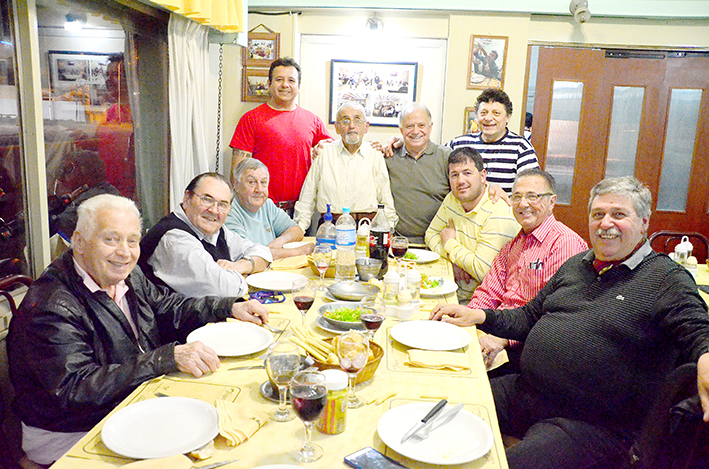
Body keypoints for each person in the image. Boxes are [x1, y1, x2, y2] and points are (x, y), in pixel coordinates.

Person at [431, 176, 709, 469]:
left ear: (643, 222)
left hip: (589, 424)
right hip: (527, 392)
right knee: (438, 413)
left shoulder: (666, 279)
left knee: (497, 466)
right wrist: (480, 316)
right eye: (598, 214)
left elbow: (696, 327)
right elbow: (528, 317)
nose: (605, 223)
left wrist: (706, 355)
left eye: (618, 214)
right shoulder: (578, 265)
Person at [7, 194, 270, 466]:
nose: (124, 252)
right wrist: (164, 359)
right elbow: (76, 388)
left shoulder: (125, 275)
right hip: (71, 433)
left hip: (129, 403)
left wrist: (228, 307)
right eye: (111, 239)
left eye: (132, 240)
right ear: (79, 242)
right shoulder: (52, 305)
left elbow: (168, 306)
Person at [472, 168, 588, 369]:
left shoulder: (565, 244)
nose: (523, 204)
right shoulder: (514, 244)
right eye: (516, 197)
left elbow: (552, 315)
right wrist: (470, 322)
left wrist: (501, 339)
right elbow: (489, 291)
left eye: (532, 196)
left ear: (552, 202)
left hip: (530, 349)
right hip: (497, 331)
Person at [139, 172, 272, 298]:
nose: (214, 210)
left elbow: (263, 253)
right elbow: (223, 290)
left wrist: (241, 266)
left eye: (222, 204)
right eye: (207, 199)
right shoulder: (174, 238)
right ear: (187, 198)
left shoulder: (216, 231)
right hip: (176, 321)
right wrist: (250, 277)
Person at [229, 57, 332, 208]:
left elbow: (333, 151)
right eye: (279, 79)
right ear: (269, 84)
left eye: (291, 80)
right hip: (260, 208)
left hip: (300, 211)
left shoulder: (313, 121)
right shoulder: (250, 119)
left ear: (298, 86)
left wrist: (321, 147)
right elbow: (237, 173)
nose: (285, 85)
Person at [425, 147, 519, 303]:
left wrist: (450, 244)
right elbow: (431, 234)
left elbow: (482, 271)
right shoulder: (452, 199)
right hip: (451, 291)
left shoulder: (497, 211)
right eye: (454, 175)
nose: (460, 181)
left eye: (467, 173)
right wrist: (452, 261)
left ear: (483, 176)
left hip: (483, 305)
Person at [293, 102, 397, 232]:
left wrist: (389, 229)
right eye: (345, 120)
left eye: (357, 120)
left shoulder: (375, 154)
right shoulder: (324, 153)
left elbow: (386, 199)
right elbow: (307, 198)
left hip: (366, 228)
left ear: (366, 127)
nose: (352, 126)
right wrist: (299, 229)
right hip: (329, 227)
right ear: (336, 127)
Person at [447, 88, 539, 194]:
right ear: (476, 116)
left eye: (496, 113)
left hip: (504, 209)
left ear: (508, 118)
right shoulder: (458, 144)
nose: (488, 118)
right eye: (483, 113)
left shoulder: (521, 147)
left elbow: (532, 188)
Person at [385, 103, 450, 244]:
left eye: (421, 125)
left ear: (430, 127)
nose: (415, 131)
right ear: (401, 130)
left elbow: (469, 185)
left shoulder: (447, 157)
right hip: (397, 242)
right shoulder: (389, 156)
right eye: (409, 126)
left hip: (436, 243)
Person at [225, 158, 313, 260]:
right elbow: (249, 254)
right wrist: (298, 252)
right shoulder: (228, 210)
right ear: (236, 184)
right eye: (252, 182)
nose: (259, 189)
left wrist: (279, 242)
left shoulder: (266, 204)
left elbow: (297, 231)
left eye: (263, 182)